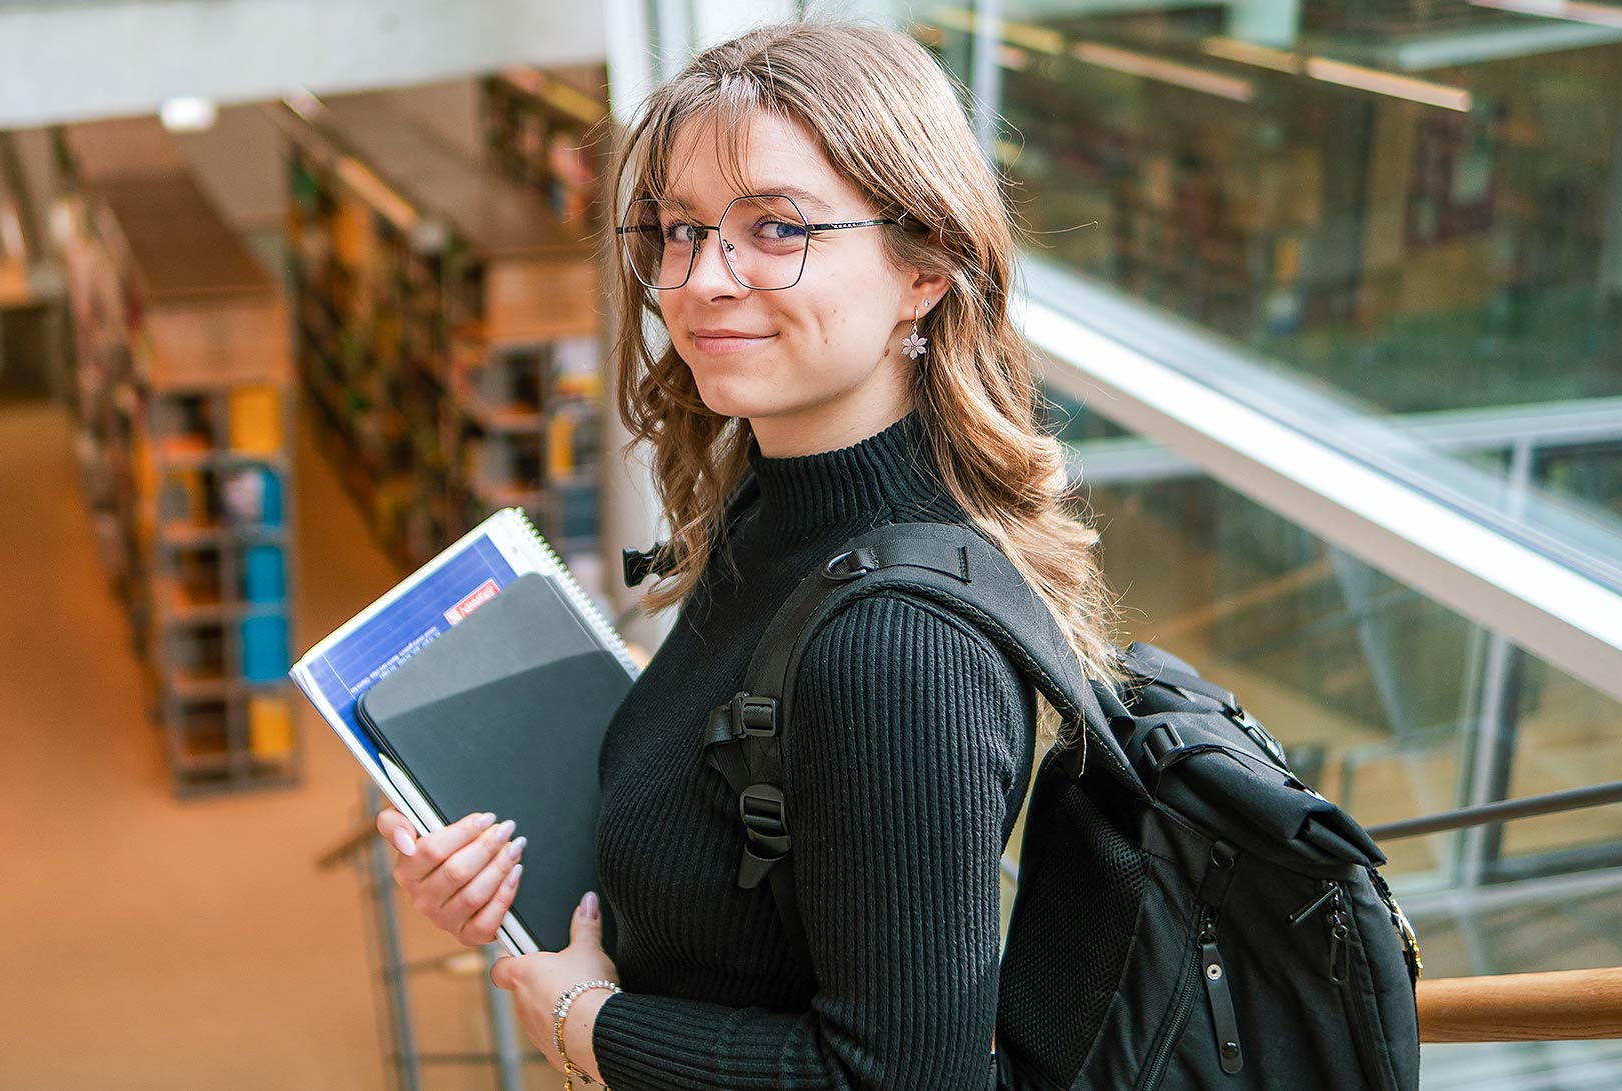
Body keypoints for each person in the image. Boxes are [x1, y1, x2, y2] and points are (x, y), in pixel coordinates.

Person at [374, 21, 1125, 1090]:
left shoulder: (898, 643)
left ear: (926, 267)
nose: (702, 277)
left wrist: (590, 1026)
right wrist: (513, 882)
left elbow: (906, 1078)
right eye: (681, 227)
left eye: (776, 227)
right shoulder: (774, 505)